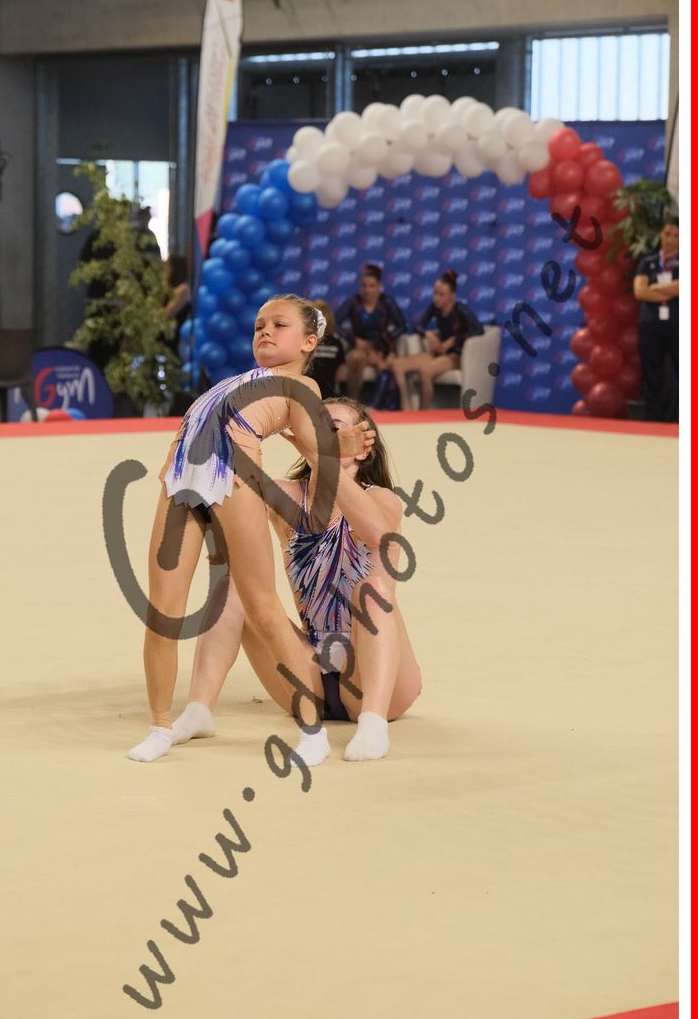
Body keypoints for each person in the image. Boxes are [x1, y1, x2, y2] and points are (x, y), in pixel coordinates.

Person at [128, 296, 375, 765]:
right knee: (162, 614)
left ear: (309, 342)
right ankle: (160, 725)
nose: (264, 331)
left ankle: (313, 732)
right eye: (260, 324)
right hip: (179, 481)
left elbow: (315, 444)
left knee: (261, 606)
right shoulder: (236, 379)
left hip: (233, 480)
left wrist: (342, 441)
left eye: (279, 325)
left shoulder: (301, 385)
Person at [170, 397, 423, 761]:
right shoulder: (287, 495)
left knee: (372, 590)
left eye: (333, 428)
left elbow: (374, 532)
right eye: (315, 426)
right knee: (234, 587)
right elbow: (226, 494)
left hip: (380, 680)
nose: (322, 434)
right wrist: (225, 431)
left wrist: (323, 459)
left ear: (363, 448)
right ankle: (199, 710)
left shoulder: (383, 500)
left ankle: (373, 725)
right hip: (310, 671)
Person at [383, 269, 483, 410]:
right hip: (438, 352)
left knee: (425, 371)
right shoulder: (435, 308)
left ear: (452, 296)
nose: (436, 298)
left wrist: (454, 340)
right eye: (435, 293)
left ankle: (423, 414)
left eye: (441, 295)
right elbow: (418, 326)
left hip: (454, 356)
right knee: (397, 365)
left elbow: (478, 329)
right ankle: (407, 409)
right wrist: (428, 334)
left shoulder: (460, 309)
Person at [633, 217, 679, 423]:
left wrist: (655, 287)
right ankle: (652, 421)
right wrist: (670, 290)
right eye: (667, 234)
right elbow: (640, 291)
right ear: (661, 235)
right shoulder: (648, 262)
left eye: (676, 236)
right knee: (651, 373)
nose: (670, 239)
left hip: (678, 325)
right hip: (651, 325)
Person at [338, 263, 407, 398]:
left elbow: (402, 326)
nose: (367, 290)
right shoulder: (354, 302)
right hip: (359, 347)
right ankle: (352, 402)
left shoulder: (386, 302)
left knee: (387, 363)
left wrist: (381, 345)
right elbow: (334, 323)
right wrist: (353, 339)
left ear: (379, 286)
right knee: (356, 357)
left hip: (381, 347)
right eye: (364, 286)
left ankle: (382, 405)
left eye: (372, 286)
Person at [307, 299, 347, 399]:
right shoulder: (336, 343)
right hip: (329, 395)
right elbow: (341, 375)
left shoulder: (306, 342)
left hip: (306, 393)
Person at [164, 253, 192, 349]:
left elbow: (168, 313)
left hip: (171, 337)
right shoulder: (168, 287)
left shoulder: (183, 289)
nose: (163, 269)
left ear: (175, 269)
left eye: (167, 266)